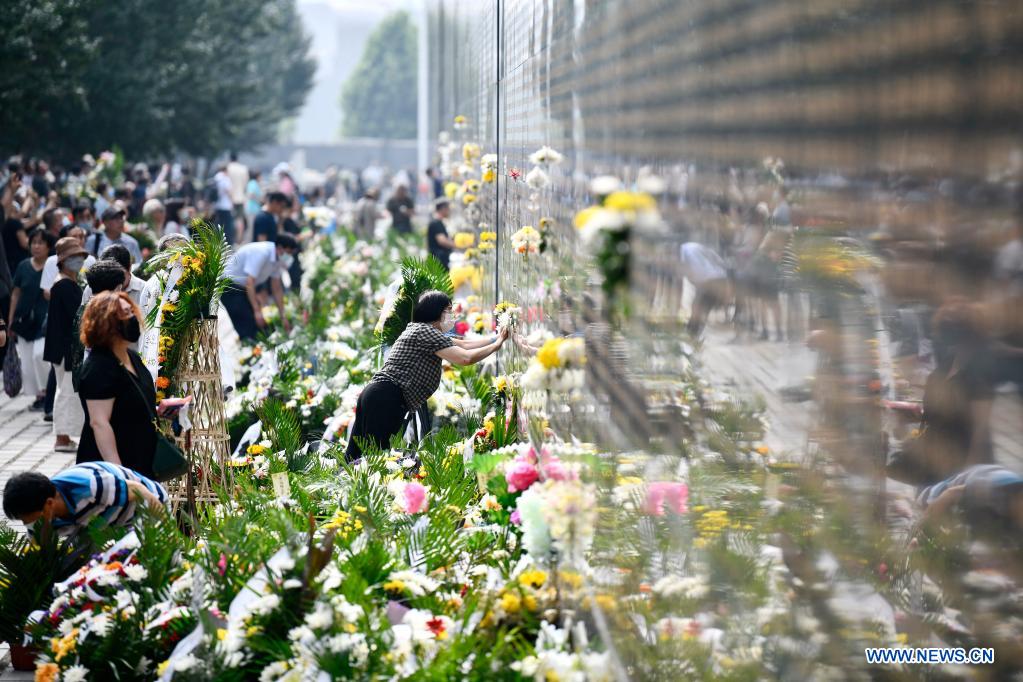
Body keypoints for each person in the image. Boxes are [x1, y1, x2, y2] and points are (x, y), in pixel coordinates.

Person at [346, 291, 508, 461]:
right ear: (436, 311)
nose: (452, 315)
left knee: (358, 457)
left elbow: (465, 345)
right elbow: (465, 358)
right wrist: (497, 345)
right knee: (373, 459)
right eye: (449, 310)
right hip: (385, 399)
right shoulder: (425, 332)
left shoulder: (421, 330)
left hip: (378, 395)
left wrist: (497, 338)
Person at [76, 292, 158, 477]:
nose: (132, 318)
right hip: (113, 469)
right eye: (125, 314)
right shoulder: (99, 368)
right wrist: (120, 474)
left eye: (131, 311)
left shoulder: (133, 358)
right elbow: (99, 422)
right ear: (106, 324)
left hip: (141, 461)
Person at [2, 464, 167, 537]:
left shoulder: (89, 486)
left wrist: (168, 530)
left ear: (49, 504)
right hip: (100, 524)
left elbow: (138, 491)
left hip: (145, 507)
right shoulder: (38, 513)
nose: (28, 526)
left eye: (29, 520)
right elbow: (41, 556)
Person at [44, 238, 87, 452]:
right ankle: (61, 438)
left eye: (79, 256)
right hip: (64, 348)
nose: (78, 260)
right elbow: (74, 319)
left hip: (63, 347)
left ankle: (63, 436)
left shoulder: (67, 283)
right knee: (66, 392)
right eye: (73, 257)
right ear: (63, 260)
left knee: (66, 390)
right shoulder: (63, 285)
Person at [8, 229, 55, 408]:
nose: (36, 246)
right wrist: (10, 320)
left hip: (45, 320)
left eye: (40, 243)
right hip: (24, 321)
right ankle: (39, 395)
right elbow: (15, 293)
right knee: (27, 363)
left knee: (40, 355)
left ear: (48, 246)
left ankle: (46, 392)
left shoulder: (53, 265)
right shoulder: (23, 266)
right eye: (33, 242)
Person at [221, 234, 298, 340]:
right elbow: (250, 282)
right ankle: (251, 349)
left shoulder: (277, 259)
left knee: (262, 326)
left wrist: (282, 316)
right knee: (248, 325)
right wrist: (257, 310)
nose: (289, 256)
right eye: (288, 253)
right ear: (280, 248)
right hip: (230, 287)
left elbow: (276, 288)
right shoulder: (262, 253)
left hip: (244, 288)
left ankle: (260, 348)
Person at [679, 241, 730, 336]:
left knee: (699, 306)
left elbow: (692, 271)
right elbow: (718, 259)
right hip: (719, 276)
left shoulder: (685, 251)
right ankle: (693, 330)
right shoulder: (694, 247)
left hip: (709, 280)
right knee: (702, 307)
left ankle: (693, 331)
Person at [81, 243, 147, 310]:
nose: (114, 279)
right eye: (107, 273)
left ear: (129, 267)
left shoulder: (144, 290)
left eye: (119, 274)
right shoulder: (92, 288)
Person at [40, 225, 95, 301]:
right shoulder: (52, 261)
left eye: (81, 237)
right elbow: (46, 292)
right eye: (74, 237)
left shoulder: (91, 260)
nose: (79, 240)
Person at [427, 199, 456, 270]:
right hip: (439, 260)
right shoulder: (436, 223)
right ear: (443, 209)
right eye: (448, 209)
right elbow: (442, 241)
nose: (449, 211)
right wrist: (458, 245)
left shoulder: (437, 222)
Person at [227, 152, 249, 234]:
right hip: (241, 197)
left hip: (229, 198)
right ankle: (239, 238)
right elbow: (245, 184)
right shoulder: (243, 168)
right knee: (239, 219)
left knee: (230, 219)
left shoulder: (228, 168)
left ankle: (230, 237)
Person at [213, 165, 235, 245]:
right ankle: (228, 242)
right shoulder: (225, 178)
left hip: (217, 205)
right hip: (226, 205)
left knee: (218, 224)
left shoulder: (215, 178)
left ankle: (217, 241)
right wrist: (232, 201)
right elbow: (229, 191)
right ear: (225, 170)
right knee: (227, 226)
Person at [244, 170, 263, 242]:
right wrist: (259, 200)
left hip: (254, 209)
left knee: (252, 227)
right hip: (252, 209)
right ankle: (248, 242)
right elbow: (251, 194)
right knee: (251, 227)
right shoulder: (253, 183)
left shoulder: (254, 183)